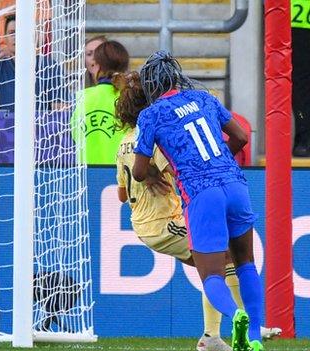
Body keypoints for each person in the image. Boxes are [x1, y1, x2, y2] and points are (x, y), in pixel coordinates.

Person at [115, 71, 281, 351]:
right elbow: (176, 167)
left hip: (143, 221)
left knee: (217, 264)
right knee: (227, 262)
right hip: (165, 221)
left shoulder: (124, 143)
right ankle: (226, 331)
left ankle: (219, 331)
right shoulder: (157, 133)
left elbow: (122, 193)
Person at [0, 14, 66, 112]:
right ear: (5, 38)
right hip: (5, 126)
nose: (15, 37)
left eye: (20, 32)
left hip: (40, 126)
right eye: (11, 33)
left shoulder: (50, 67)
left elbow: (60, 110)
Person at [70, 40, 128, 165]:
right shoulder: (130, 98)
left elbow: (73, 137)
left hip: (86, 177)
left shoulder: (80, 97)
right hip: (122, 176)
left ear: (96, 64)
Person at [292, 0, 310, 157]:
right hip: (297, 23)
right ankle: (303, 140)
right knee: (300, 86)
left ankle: (303, 141)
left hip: (298, 20)